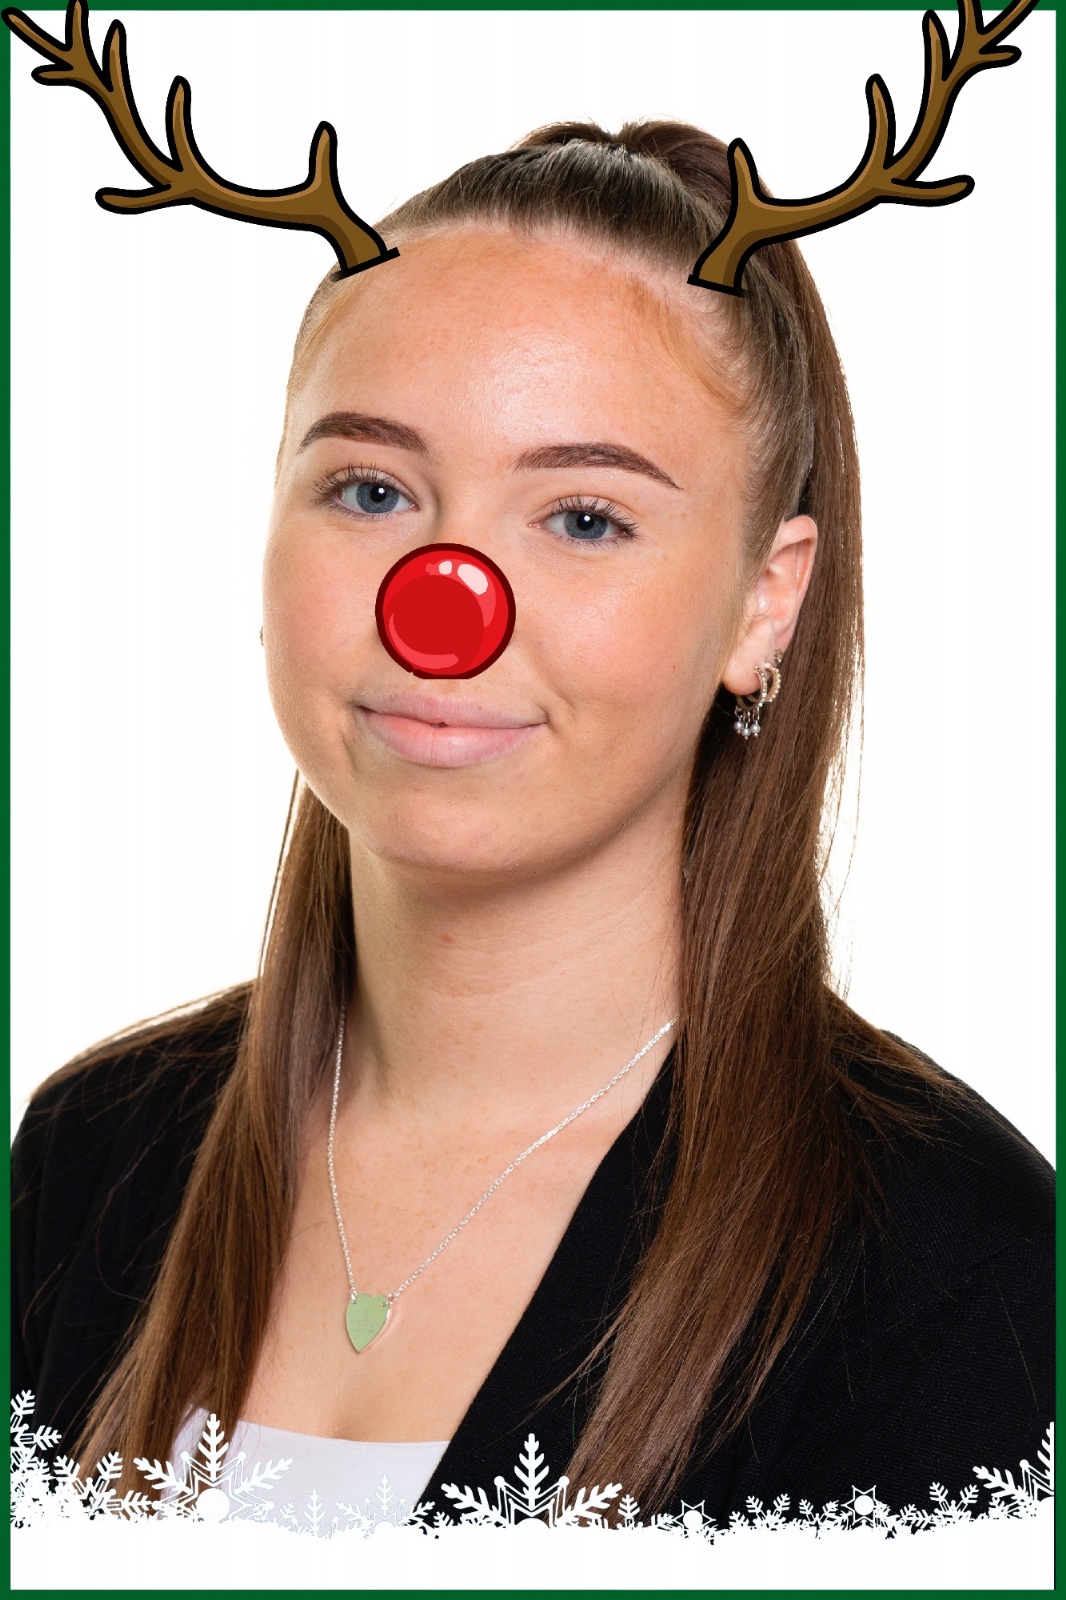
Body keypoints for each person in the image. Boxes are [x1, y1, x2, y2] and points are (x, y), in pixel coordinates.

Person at [10, 107, 1053, 1525]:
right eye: (371, 489)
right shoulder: (87, 1158)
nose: (444, 607)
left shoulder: (957, 1279)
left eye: (582, 518)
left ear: (766, 601)